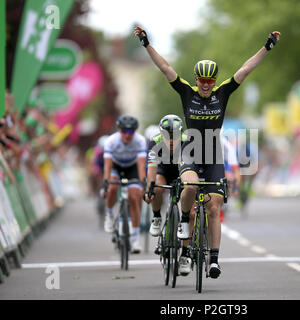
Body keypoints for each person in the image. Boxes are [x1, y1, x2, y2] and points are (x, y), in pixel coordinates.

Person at [134, 26, 280, 278]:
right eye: (201, 80)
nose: (205, 85)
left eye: (209, 81)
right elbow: (166, 68)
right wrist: (147, 44)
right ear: (196, 79)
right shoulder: (186, 92)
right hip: (190, 150)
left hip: (213, 153)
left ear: (214, 81)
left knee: (214, 208)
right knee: (190, 188)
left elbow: (245, 69)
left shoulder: (222, 92)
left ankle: (213, 259)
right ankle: (182, 223)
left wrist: (266, 48)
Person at [143, 114, 192, 275]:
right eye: (167, 136)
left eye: (174, 136)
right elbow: (151, 169)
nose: (171, 140)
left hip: (182, 171)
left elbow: (195, 170)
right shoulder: (154, 142)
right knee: (156, 184)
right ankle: (157, 216)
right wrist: (150, 189)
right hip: (164, 171)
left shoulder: (188, 140)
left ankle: (185, 254)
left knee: (189, 213)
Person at [103, 115, 147, 254]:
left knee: (134, 197)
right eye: (124, 131)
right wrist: (106, 182)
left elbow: (141, 166)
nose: (127, 135)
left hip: (132, 168)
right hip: (116, 167)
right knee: (113, 188)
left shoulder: (140, 141)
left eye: (131, 132)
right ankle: (109, 214)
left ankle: (135, 239)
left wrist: (143, 183)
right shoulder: (111, 141)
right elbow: (108, 166)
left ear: (134, 131)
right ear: (119, 130)